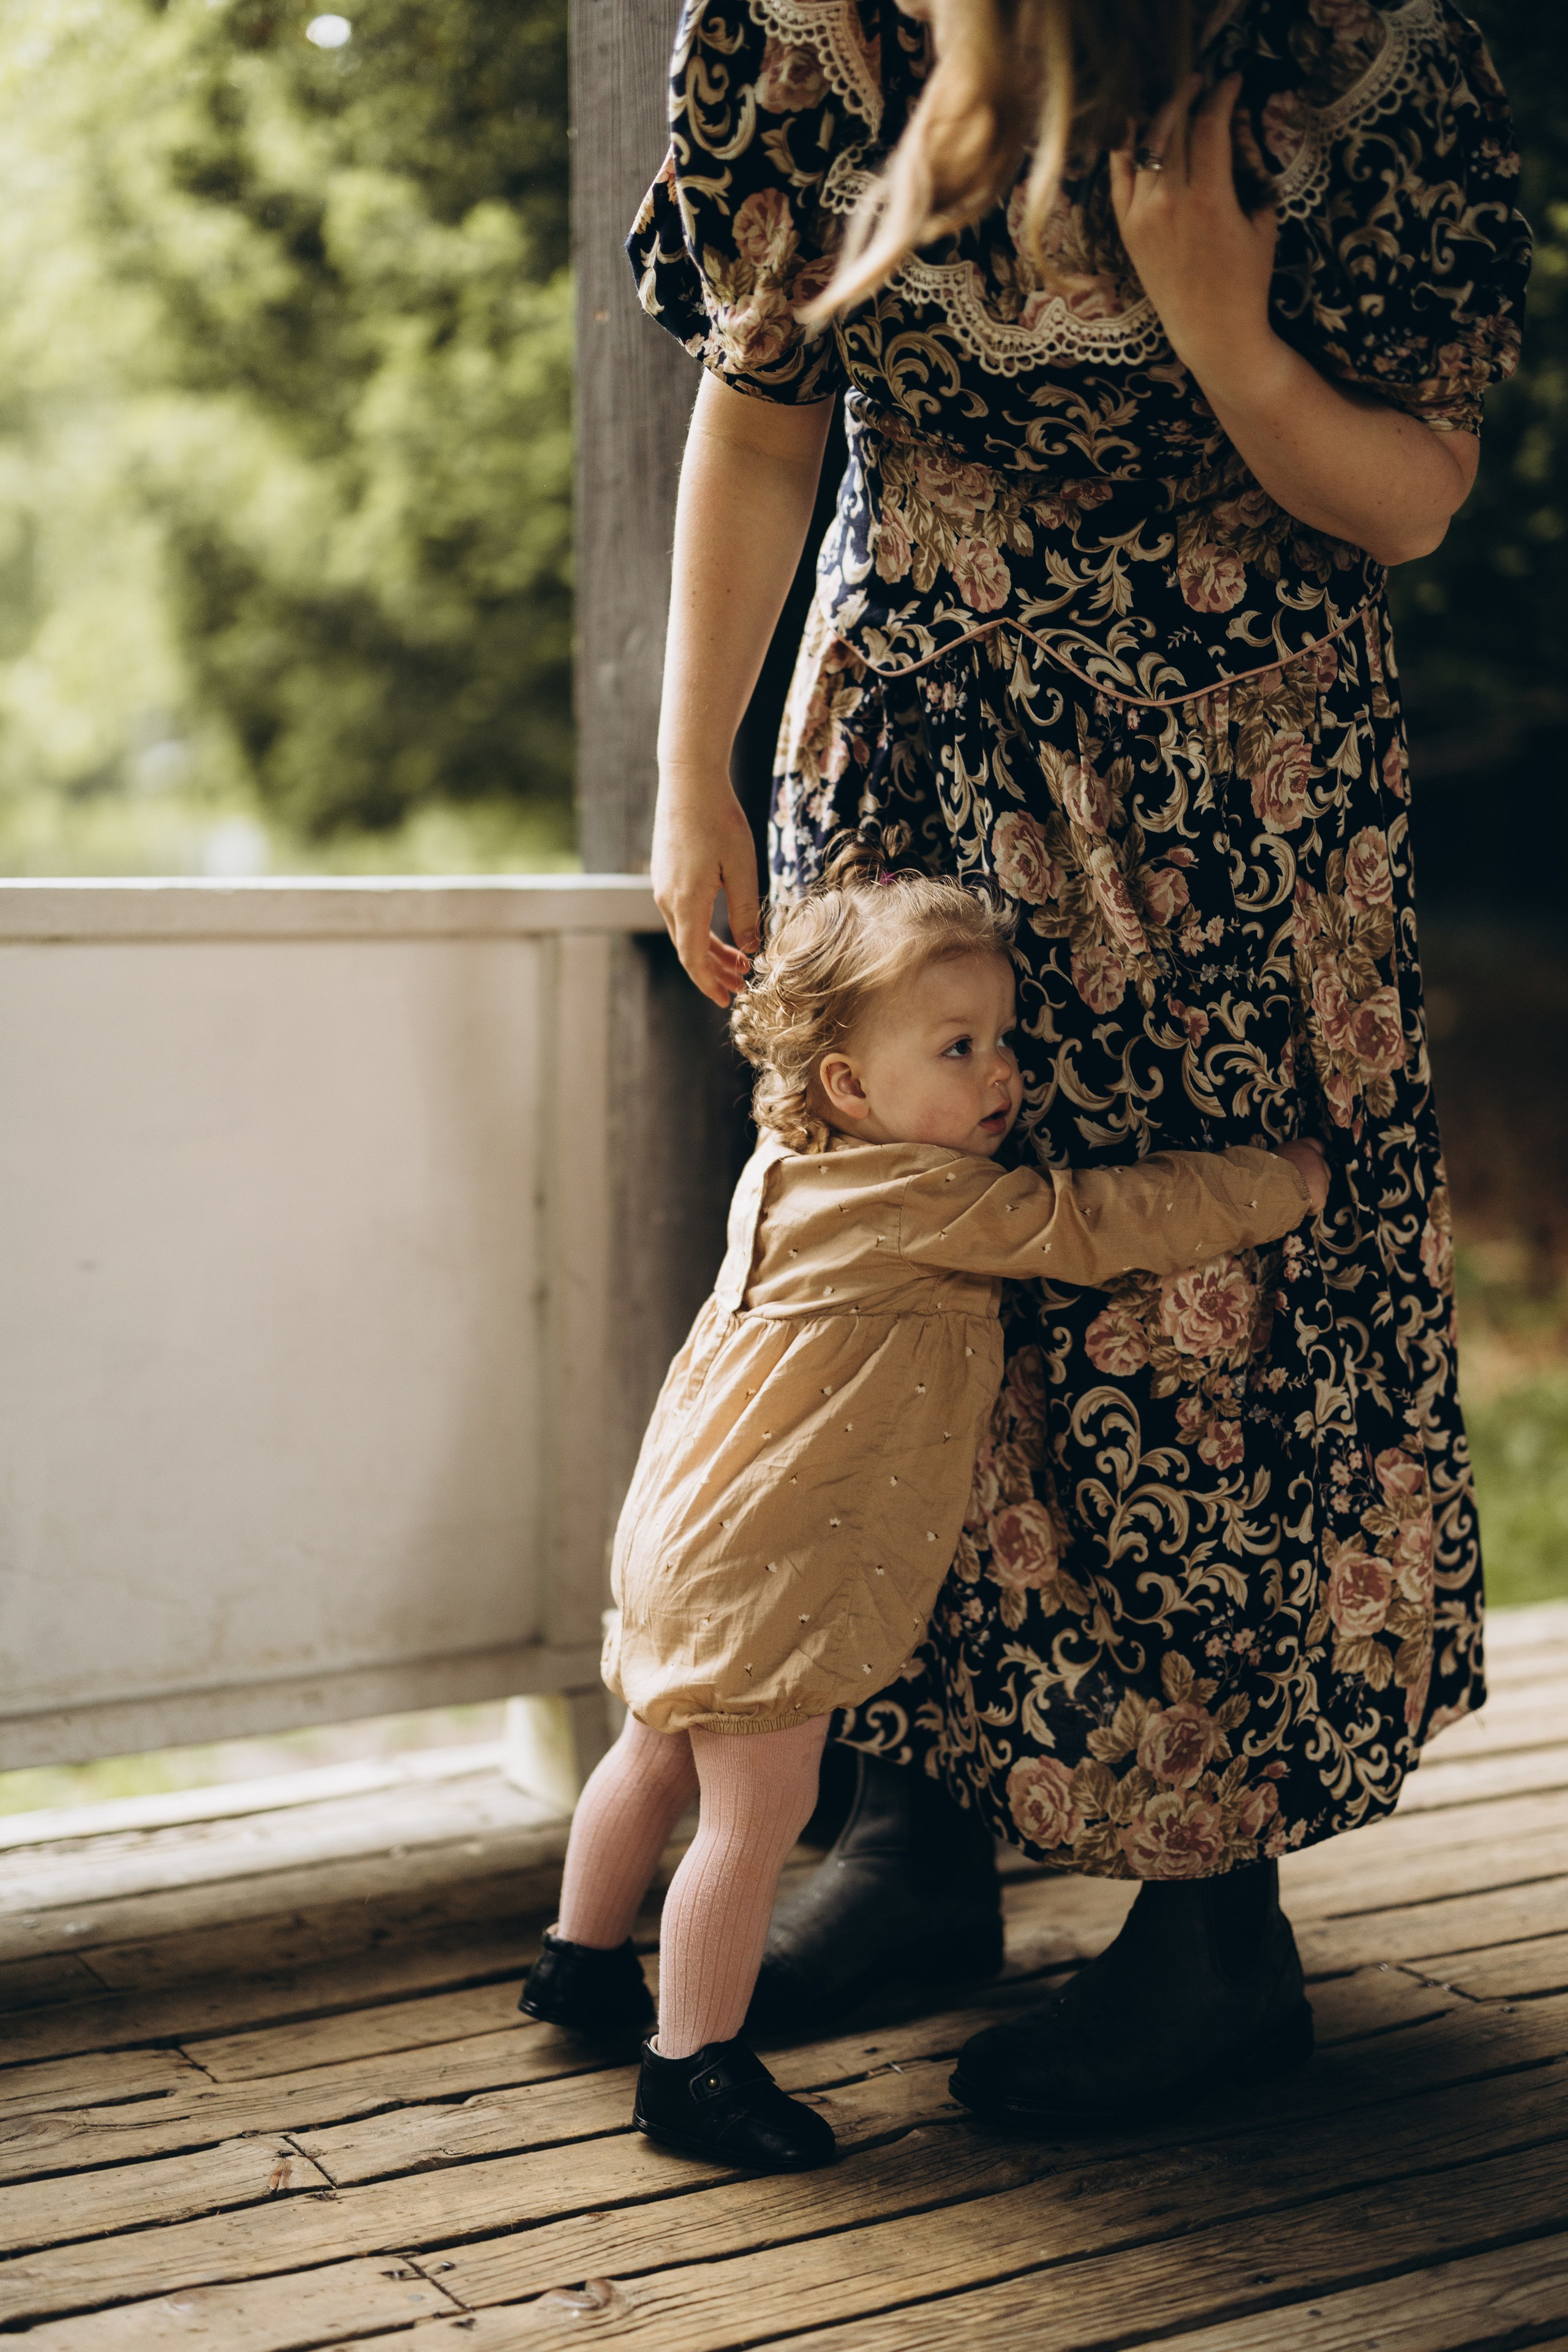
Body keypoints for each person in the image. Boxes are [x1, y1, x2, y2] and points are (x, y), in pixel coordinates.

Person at [627, 0, 1531, 2125]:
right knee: (882, 1292)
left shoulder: (1353, 45)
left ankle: (1214, 1935)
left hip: (1227, 800)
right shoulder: (793, 28)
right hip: (910, 757)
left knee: (1184, 1323)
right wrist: (697, 770)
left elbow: (1410, 498)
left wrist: (1228, 328)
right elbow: (766, 411)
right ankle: (906, 1844)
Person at [519, 843, 1327, 2170]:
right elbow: (1087, 1221)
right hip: (773, 1556)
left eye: (1001, 1038)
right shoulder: (917, 1201)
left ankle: (580, 1963)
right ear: (847, 1084)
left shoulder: (788, 1165)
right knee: (752, 1812)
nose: (1003, 1072)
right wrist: (1274, 1185)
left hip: (682, 1524)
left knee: (653, 1747)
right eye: (956, 1047)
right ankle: (689, 2071)